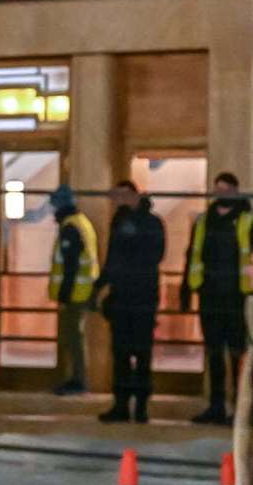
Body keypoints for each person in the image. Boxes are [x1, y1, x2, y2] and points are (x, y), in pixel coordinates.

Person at [180, 171, 251, 425]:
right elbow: (191, 255)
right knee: (213, 353)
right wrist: (185, 291)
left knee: (237, 354)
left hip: (236, 296)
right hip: (209, 295)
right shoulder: (204, 221)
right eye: (217, 189)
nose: (221, 194)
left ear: (235, 190)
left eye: (225, 190)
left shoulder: (246, 219)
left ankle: (240, 409)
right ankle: (217, 406)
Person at [91, 181, 165, 424]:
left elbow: (153, 257)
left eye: (121, 196)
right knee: (121, 354)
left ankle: (141, 407)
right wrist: (99, 287)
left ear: (133, 195)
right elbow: (112, 260)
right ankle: (122, 405)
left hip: (142, 298)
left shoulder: (151, 223)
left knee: (141, 354)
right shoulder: (119, 221)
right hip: (122, 298)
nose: (117, 201)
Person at [48, 185, 98, 396]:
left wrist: (64, 293)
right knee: (74, 336)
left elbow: (70, 264)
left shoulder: (70, 227)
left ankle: (78, 380)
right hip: (83, 290)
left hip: (75, 293)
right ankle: (76, 379)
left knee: (73, 338)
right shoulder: (83, 223)